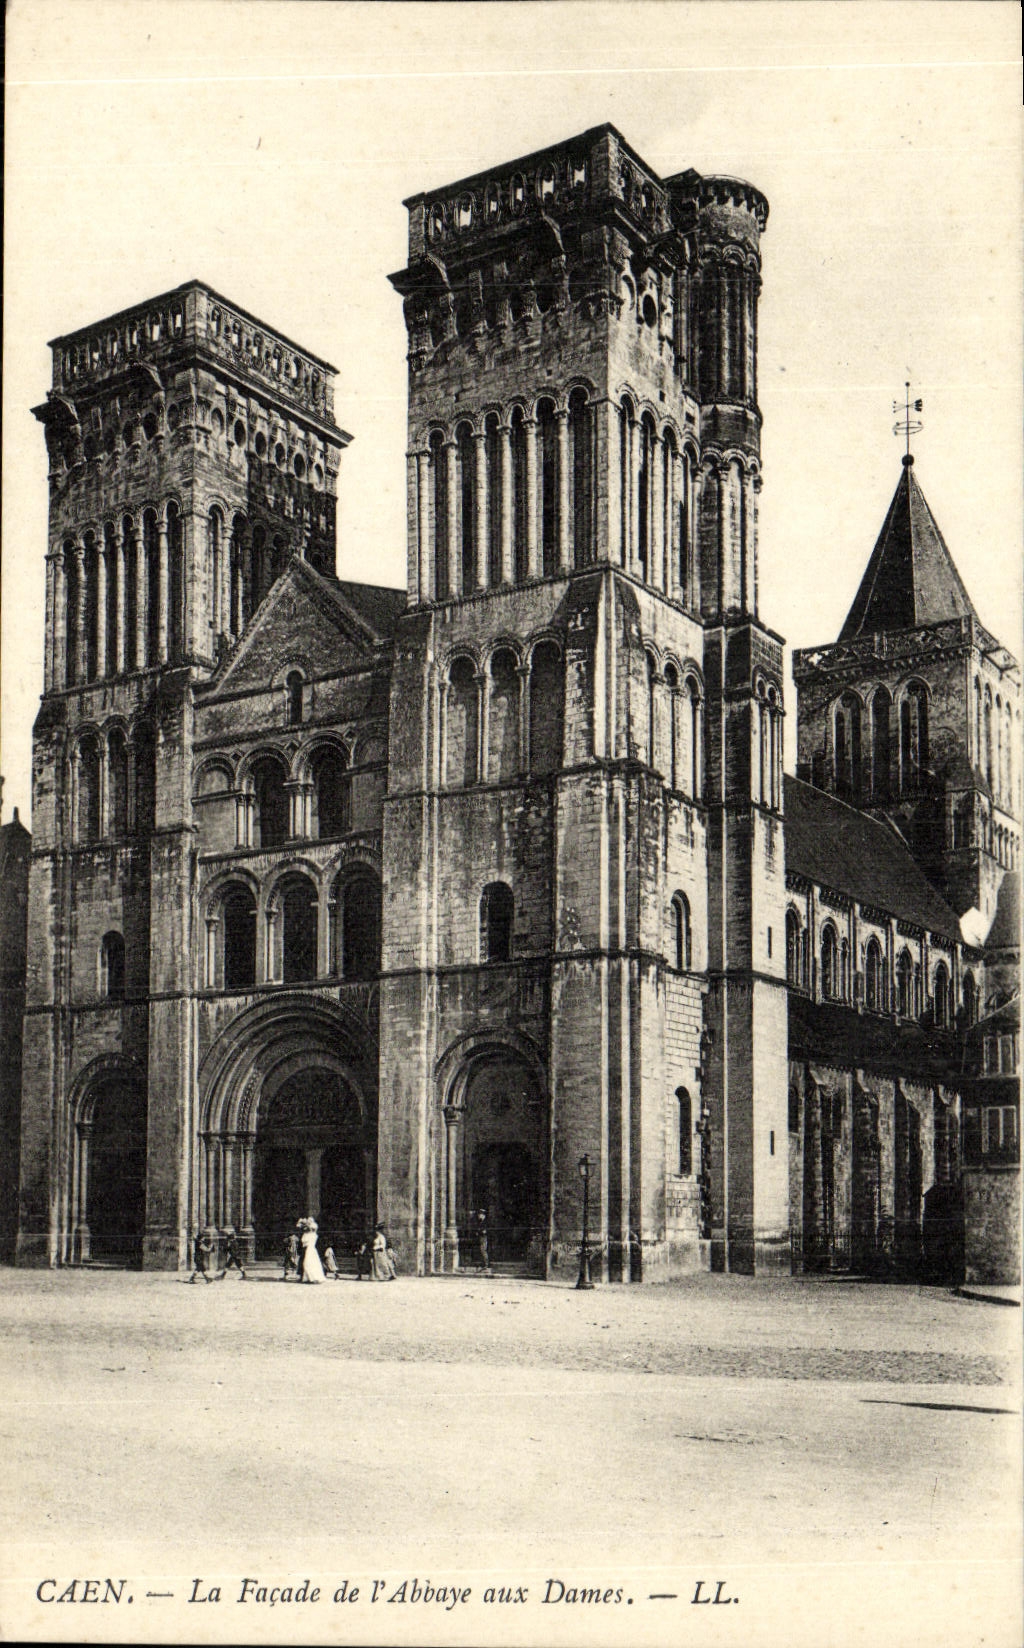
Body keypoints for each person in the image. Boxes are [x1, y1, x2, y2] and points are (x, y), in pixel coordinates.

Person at [300, 1217, 325, 1284]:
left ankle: (312, 1278)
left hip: (310, 1249)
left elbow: (305, 1242)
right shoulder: (309, 1235)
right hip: (310, 1250)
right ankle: (309, 1278)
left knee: (309, 1263)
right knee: (310, 1263)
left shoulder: (311, 1235)